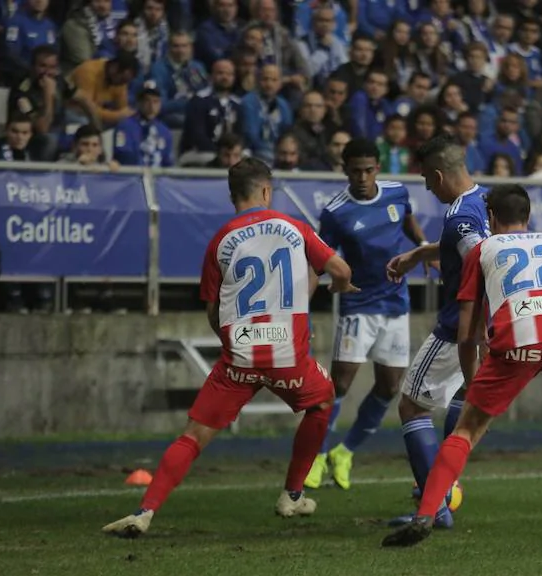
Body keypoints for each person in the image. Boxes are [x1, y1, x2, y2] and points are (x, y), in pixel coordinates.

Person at [102, 158, 358, 538]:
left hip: (239, 354)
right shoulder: (294, 227)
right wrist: (335, 287)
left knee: (191, 436)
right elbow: (341, 270)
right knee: (322, 402)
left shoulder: (220, 240)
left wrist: (234, 346)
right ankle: (292, 494)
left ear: (232, 195)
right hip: (287, 354)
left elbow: (212, 309)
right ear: (267, 191)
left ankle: (144, 512)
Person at [382, 184, 542, 548]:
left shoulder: (483, 249)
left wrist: (474, 386)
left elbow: (467, 332)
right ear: (529, 216)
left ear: (490, 217)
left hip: (518, 338)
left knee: (466, 431)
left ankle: (426, 516)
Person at [304, 137, 430, 490]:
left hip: (395, 302)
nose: (362, 177)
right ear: (345, 170)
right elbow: (320, 258)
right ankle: (314, 456)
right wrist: (304, 304)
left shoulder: (396, 193)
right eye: (355, 170)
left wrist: (421, 248)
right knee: (340, 383)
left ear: (378, 168)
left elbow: (407, 221)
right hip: (357, 303)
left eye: (368, 170)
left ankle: (345, 452)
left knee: (391, 386)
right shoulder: (335, 211)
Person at [384, 135, 490, 528]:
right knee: (465, 396)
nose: (428, 188)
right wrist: (420, 254)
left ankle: (435, 507)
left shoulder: (460, 216)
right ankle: (445, 490)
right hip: (488, 327)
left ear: (439, 175)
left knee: (411, 406)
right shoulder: (486, 202)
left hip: (456, 327)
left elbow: (481, 261)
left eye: (428, 180)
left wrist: (475, 327)